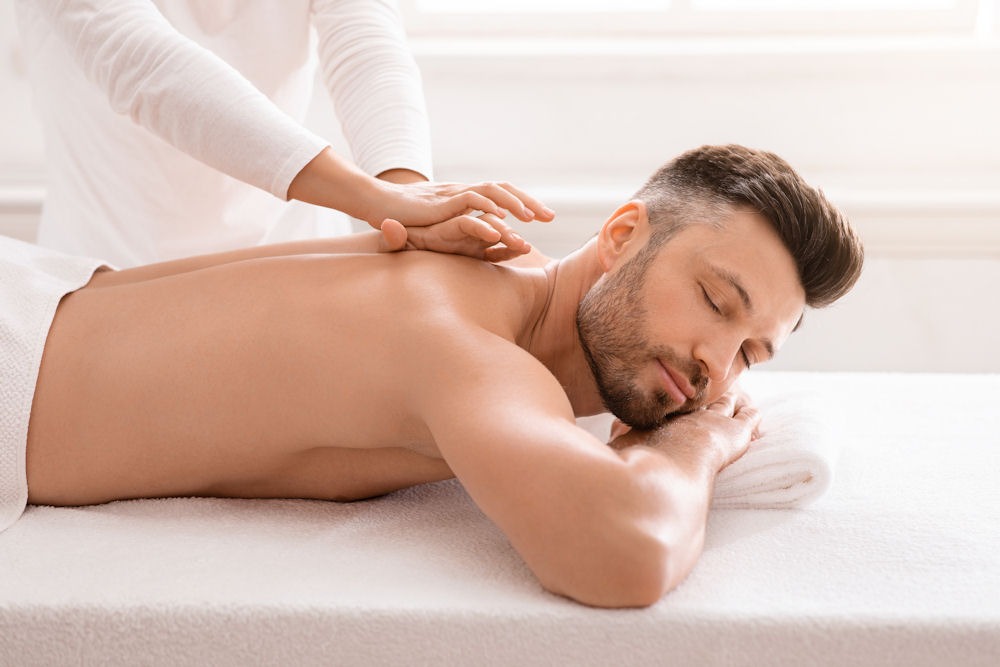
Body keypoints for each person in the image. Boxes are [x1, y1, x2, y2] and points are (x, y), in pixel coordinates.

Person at [7, 144, 863, 608]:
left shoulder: (487, 276)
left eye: (752, 354)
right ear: (623, 234)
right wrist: (703, 443)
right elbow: (627, 552)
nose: (720, 369)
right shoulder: (468, 346)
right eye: (716, 301)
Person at [15, 0, 554, 266]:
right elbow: (148, 67)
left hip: (296, 258)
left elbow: (365, 41)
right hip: (110, 269)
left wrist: (409, 200)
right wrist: (379, 199)